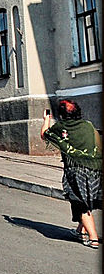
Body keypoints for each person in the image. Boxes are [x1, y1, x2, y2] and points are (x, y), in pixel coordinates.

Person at [41, 99, 102, 249]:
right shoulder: (88, 125)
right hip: (96, 169)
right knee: (88, 200)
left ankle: (93, 238)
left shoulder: (61, 127)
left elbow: (44, 134)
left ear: (62, 115)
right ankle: (80, 231)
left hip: (75, 170)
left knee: (80, 203)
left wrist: (46, 120)